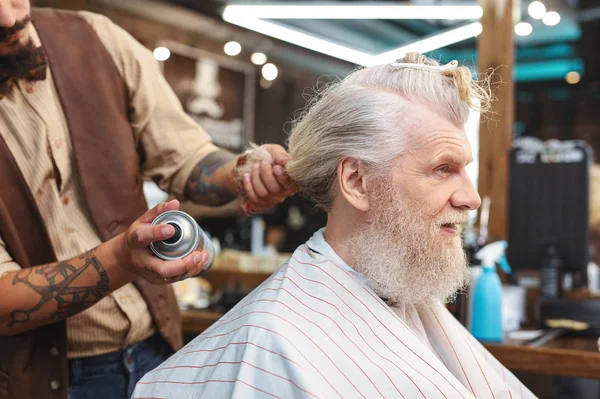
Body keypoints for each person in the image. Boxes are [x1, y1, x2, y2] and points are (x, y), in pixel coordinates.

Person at [134, 54, 537, 399]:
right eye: (443, 169)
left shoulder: (403, 296)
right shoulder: (273, 339)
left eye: (463, 170)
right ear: (357, 182)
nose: (471, 198)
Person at [0, 2, 296, 399]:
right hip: (43, 377)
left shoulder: (98, 39)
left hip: (154, 349)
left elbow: (187, 159)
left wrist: (242, 173)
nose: (7, 16)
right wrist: (120, 260)